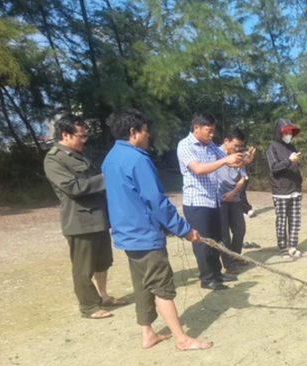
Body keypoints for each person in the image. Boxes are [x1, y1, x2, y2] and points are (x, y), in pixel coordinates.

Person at [102, 108, 212, 351]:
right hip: (144, 235)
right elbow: (156, 201)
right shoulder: (138, 159)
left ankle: (148, 334)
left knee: (142, 285)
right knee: (162, 287)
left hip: (126, 235)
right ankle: (182, 339)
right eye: (146, 131)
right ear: (134, 132)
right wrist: (184, 230)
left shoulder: (109, 159)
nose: (148, 136)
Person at [44, 113, 126, 319]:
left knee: (102, 261)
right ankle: (89, 307)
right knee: (83, 268)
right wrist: (105, 179)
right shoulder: (54, 159)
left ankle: (103, 296)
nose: (84, 140)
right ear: (65, 134)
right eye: (80, 136)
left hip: (98, 217)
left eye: (84, 136)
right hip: (80, 222)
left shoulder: (77, 155)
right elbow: (73, 187)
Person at [177, 113, 248, 290]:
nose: (211, 136)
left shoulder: (209, 146)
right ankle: (207, 278)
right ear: (196, 128)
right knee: (202, 244)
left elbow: (230, 163)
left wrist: (244, 160)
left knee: (216, 240)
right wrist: (225, 160)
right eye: (209, 131)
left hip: (213, 201)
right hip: (197, 203)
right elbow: (199, 169)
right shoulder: (185, 146)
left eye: (213, 132)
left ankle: (217, 274)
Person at [218, 127, 256, 273]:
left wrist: (233, 193)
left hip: (234, 198)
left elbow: (242, 178)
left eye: (240, 146)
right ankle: (228, 264)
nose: (238, 149)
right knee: (224, 235)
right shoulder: (214, 153)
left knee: (240, 230)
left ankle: (236, 257)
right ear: (226, 141)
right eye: (236, 146)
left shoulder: (239, 155)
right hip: (219, 199)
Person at [266, 118, 304, 258]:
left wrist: (299, 187)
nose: (289, 134)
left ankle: (293, 246)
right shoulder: (272, 148)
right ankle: (283, 248)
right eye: (286, 132)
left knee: (295, 219)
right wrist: (289, 160)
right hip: (281, 191)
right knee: (281, 220)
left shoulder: (292, 147)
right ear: (279, 132)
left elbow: (295, 168)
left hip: (294, 189)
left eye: (290, 132)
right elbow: (274, 168)